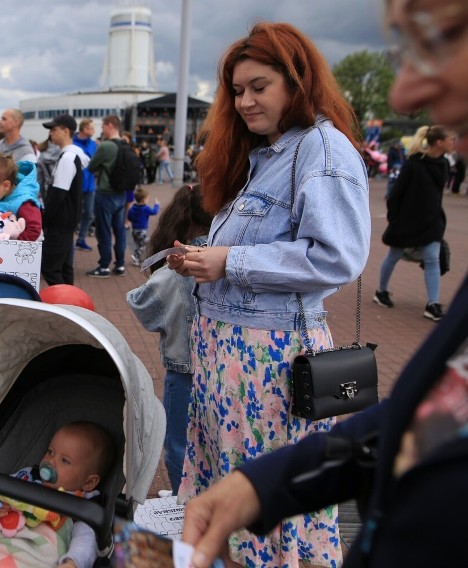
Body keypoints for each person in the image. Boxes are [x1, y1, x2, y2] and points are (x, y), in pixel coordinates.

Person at [166, 22, 370, 567]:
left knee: (266, 506)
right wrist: (208, 258)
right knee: (239, 500)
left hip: (271, 363)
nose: (245, 101)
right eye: (237, 90)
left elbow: (339, 255)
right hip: (231, 358)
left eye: (259, 86)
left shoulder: (321, 148)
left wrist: (229, 260)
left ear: (296, 81)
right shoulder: (272, 152)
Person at [0, 421, 115, 568]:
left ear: (89, 482)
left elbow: (87, 539)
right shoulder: (27, 476)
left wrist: (73, 562)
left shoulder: (85, 503)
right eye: (50, 452)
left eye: (65, 460)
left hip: (35, 556)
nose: (50, 462)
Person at [127, 184, 212, 495]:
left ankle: (185, 505)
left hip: (184, 370)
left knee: (180, 443)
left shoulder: (175, 268)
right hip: (227, 366)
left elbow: (142, 306)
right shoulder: (230, 258)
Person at [374, 125, 454, 321]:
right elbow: (395, 194)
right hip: (407, 221)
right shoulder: (414, 164)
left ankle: (432, 304)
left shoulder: (444, 164)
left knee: (432, 259)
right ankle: (381, 291)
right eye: (450, 139)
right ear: (439, 142)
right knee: (394, 255)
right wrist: (394, 218)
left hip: (432, 221)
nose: (454, 142)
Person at [39, 114, 89, 285]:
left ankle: (65, 305)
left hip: (60, 222)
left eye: (54, 129)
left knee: (50, 268)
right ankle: (71, 304)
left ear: (66, 131)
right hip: (66, 221)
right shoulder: (70, 156)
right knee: (64, 267)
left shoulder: (68, 158)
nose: (51, 133)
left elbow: (57, 194)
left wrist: (44, 220)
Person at [87, 115, 129, 278]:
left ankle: (104, 266)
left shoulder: (106, 146)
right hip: (121, 194)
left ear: (110, 126)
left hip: (105, 194)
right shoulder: (126, 144)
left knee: (104, 231)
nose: (101, 130)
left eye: (103, 126)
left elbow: (91, 167)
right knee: (119, 231)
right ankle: (120, 265)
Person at [73, 119, 97, 253]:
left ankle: (81, 239)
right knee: (73, 213)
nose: (93, 131)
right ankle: (69, 239)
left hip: (90, 185)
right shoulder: (72, 142)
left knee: (89, 213)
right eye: (91, 128)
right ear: (84, 129)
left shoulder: (94, 144)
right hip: (76, 184)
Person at [126, 186, 160, 266]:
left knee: (140, 244)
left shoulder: (133, 208)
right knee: (146, 243)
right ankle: (136, 256)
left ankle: (139, 258)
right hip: (142, 231)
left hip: (134, 231)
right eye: (147, 198)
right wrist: (156, 204)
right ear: (143, 200)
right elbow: (154, 212)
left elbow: (129, 217)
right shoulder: (145, 208)